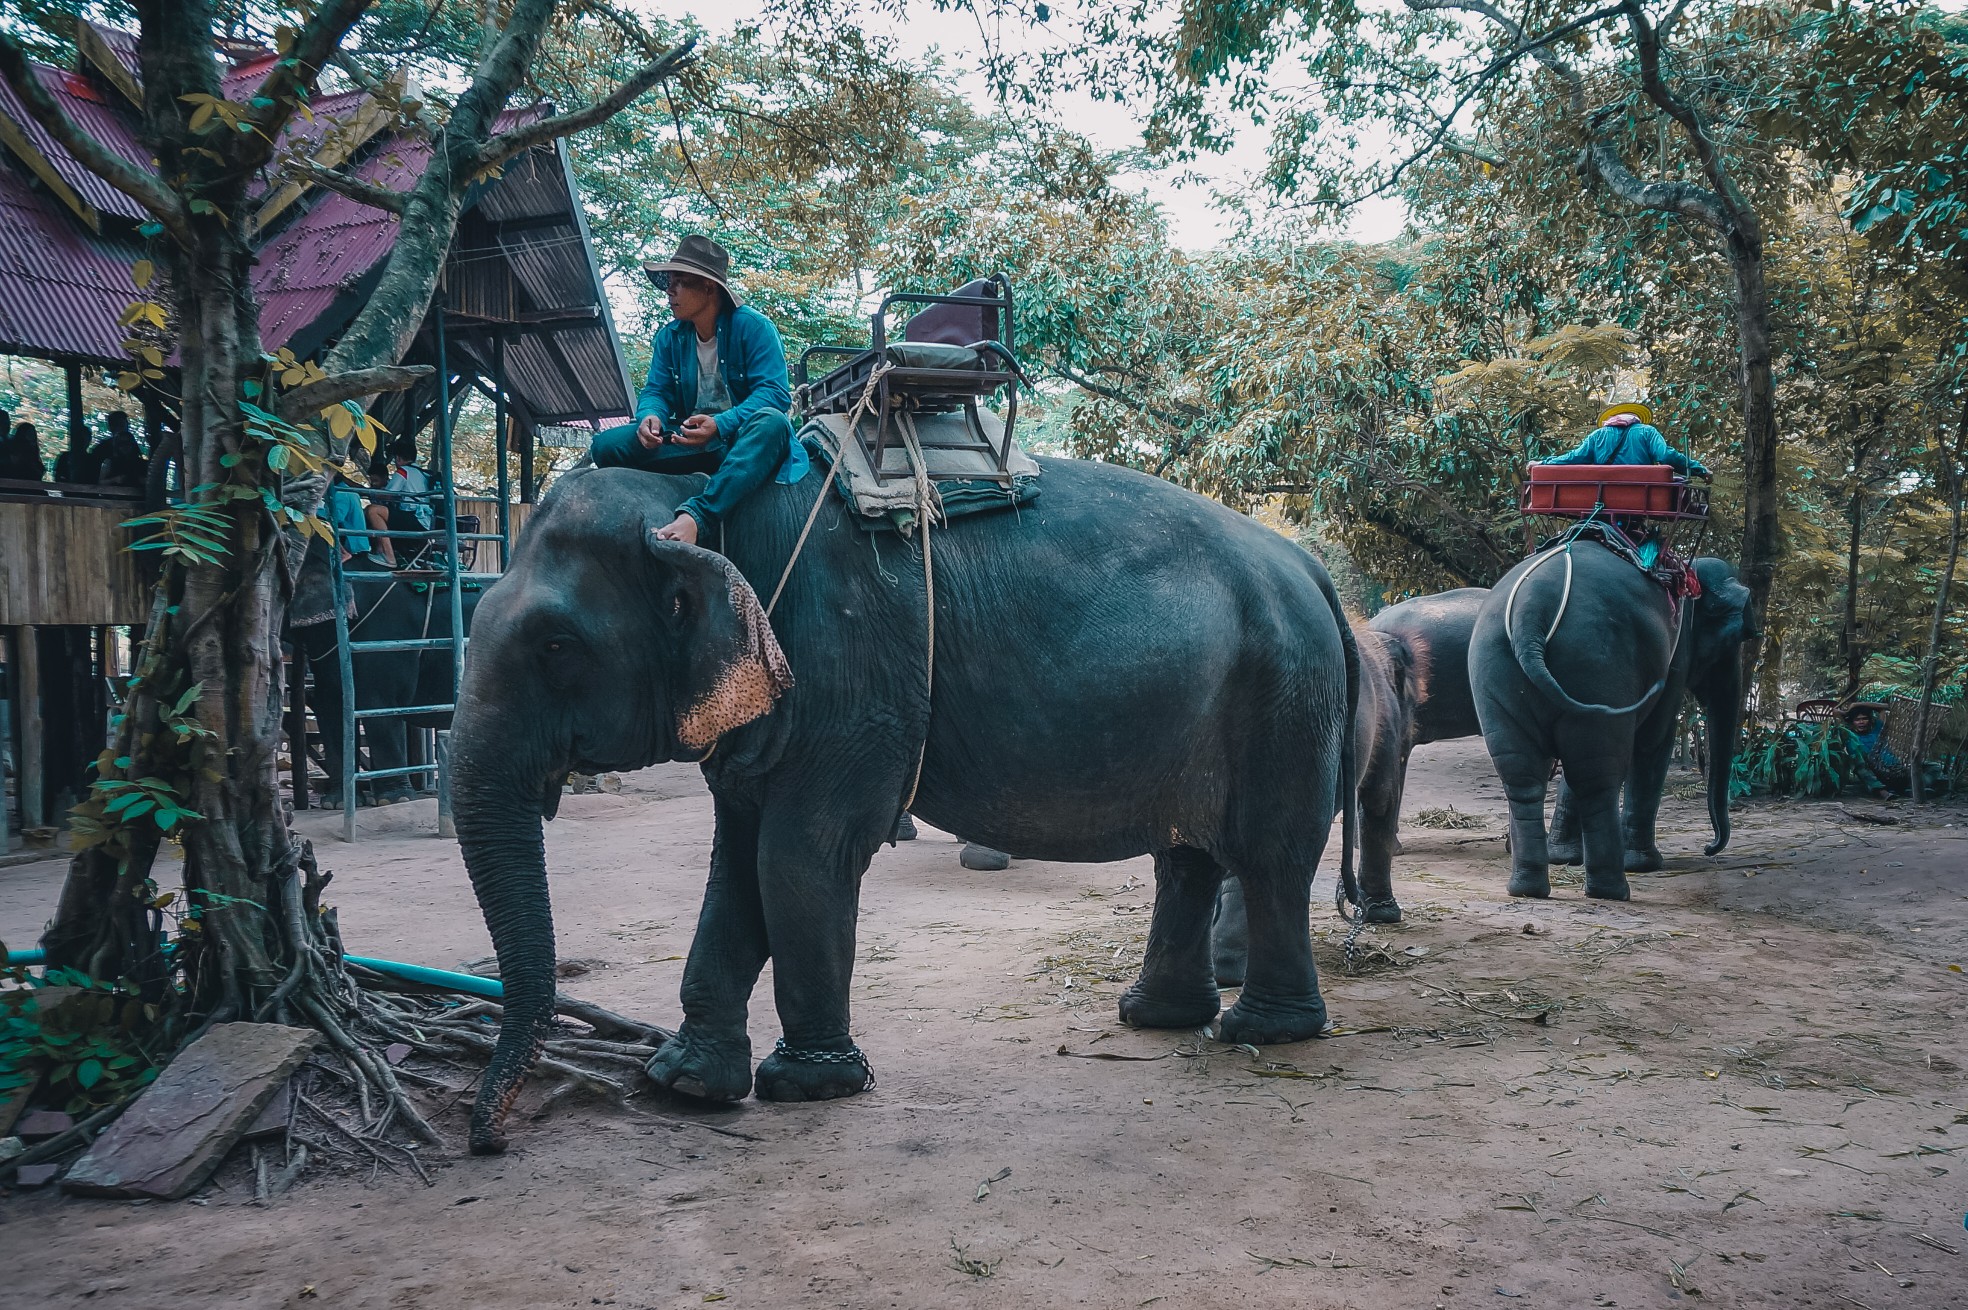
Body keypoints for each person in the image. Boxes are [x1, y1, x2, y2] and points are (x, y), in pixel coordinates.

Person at [587, 234, 807, 545]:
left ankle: (698, 516)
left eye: (680, 282)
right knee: (604, 446)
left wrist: (720, 424)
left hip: (740, 443)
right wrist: (650, 417)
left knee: (773, 422)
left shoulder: (754, 328)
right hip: (689, 442)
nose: (669, 290)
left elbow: (774, 393)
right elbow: (657, 390)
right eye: (668, 282)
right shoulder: (670, 337)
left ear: (708, 287)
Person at [1543, 402, 1710, 477]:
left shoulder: (1598, 435)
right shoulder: (1648, 432)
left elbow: (1574, 458)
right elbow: (1665, 456)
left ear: (1612, 419)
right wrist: (1699, 470)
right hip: (1640, 497)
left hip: (1602, 499)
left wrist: (1543, 464)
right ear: (1636, 418)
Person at [364, 434, 435, 567]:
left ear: (398, 458)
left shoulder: (403, 471)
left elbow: (388, 495)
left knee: (373, 510)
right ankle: (381, 550)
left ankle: (388, 556)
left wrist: (371, 491)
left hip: (413, 518)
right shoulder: (422, 473)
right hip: (426, 520)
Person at [90, 411, 149, 489]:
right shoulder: (102, 451)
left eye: (123, 424)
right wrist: (114, 480)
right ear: (111, 427)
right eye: (118, 424)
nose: (125, 447)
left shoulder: (139, 462)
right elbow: (97, 479)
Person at [0, 418, 47, 484]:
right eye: (29, 434)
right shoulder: (14, 450)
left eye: (33, 434)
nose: (32, 437)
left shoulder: (32, 453)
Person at [53, 416, 97, 484]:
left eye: (86, 439)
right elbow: (58, 477)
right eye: (81, 439)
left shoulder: (92, 459)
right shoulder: (65, 457)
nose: (83, 442)